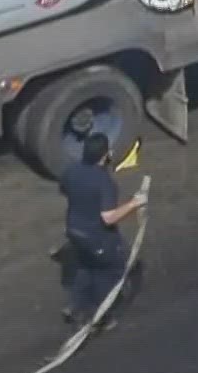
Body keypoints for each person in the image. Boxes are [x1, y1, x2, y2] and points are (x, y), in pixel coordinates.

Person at [60, 132, 145, 327]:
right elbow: (108, 218)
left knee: (85, 266)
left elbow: (64, 189)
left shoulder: (71, 170)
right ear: (106, 155)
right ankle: (99, 316)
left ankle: (75, 305)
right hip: (96, 237)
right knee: (111, 271)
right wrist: (134, 203)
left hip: (74, 230)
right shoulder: (104, 182)